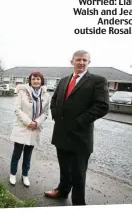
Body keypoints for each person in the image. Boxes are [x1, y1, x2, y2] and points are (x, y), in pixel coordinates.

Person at [44, 50, 109, 205]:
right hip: (61, 133)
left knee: (78, 174)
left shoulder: (98, 81)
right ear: (71, 62)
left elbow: (102, 106)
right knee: (64, 168)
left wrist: (79, 121)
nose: (81, 63)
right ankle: (62, 191)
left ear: (88, 63)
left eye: (84, 60)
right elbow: (54, 100)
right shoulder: (64, 80)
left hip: (80, 136)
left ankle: (79, 204)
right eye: (78, 60)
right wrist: (56, 116)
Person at [9, 71, 50, 187]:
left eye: (38, 79)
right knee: (16, 153)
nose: (36, 81)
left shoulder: (46, 95)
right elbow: (17, 110)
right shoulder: (22, 92)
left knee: (28, 155)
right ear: (30, 81)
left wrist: (37, 122)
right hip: (22, 127)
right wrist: (28, 122)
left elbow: (46, 113)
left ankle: (25, 175)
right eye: (33, 79)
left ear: (42, 81)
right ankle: (12, 174)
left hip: (34, 129)